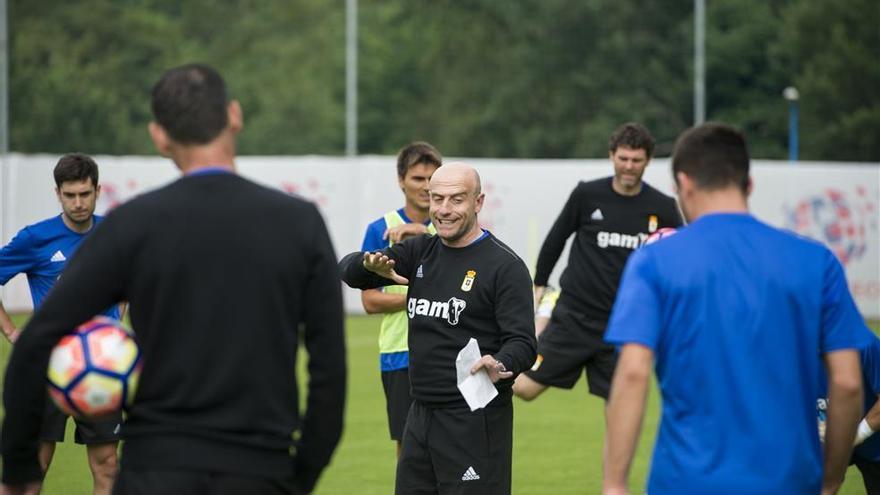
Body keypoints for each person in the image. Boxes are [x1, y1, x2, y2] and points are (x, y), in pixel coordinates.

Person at [1, 64, 346, 495]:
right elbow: (330, 371)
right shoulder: (299, 223)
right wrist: (301, 475)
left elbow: (35, 346)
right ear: (235, 116)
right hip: (260, 470)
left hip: (155, 473)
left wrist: (17, 472)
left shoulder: (132, 225)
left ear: (159, 136)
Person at [603, 122, 867, 495]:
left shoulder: (654, 262)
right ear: (749, 184)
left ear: (684, 183)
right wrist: (830, 478)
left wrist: (614, 484)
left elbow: (632, 373)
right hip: (790, 481)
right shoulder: (816, 262)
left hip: (685, 481)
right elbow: (848, 382)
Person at [340, 162, 537, 494]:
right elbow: (349, 271)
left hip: (474, 420)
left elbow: (523, 343)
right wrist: (365, 264)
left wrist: (500, 362)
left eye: (456, 200)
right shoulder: (421, 251)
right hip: (419, 416)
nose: (444, 210)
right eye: (437, 199)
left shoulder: (505, 266)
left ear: (478, 202)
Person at [513, 123, 683, 407]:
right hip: (574, 318)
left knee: (619, 409)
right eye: (623, 158)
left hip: (623, 325)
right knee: (524, 387)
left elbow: (681, 260)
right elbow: (557, 238)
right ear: (612, 155)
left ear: (648, 161)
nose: (629, 166)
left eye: (636, 160)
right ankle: (537, 318)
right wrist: (539, 283)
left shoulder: (663, 207)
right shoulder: (587, 195)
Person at [0, 153, 123, 495]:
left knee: (108, 465)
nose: (78, 203)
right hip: (47, 366)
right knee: (34, 466)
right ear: (58, 194)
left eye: (85, 194)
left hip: (100, 369)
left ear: (97, 190)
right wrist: (11, 330)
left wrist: (116, 322)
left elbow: (130, 281)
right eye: (70, 195)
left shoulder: (115, 233)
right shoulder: (35, 239)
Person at [359, 142, 441, 456]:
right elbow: (370, 301)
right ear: (401, 180)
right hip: (400, 352)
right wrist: (421, 299)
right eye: (418, 178)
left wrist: (424, 234)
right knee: (409, 449)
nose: (425, 186)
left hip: (449, 349)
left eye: (432, 178)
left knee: (452, 445)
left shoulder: (453, 227)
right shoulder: (380, 230)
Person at [818, 331, 880, 494]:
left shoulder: (865, 344)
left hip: (875, 440)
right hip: (828, 436)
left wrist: (855, 436)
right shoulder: (790, 353)